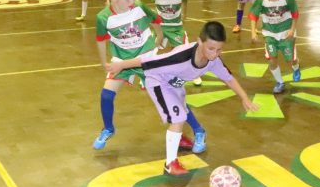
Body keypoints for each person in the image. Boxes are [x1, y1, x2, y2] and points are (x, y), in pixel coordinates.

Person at [106, 21, 259, 175]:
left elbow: (229, 78)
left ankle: (178, 138)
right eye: (211, 48)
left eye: (219, 50)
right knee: (178, 118)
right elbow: (148, 61)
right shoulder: (181, 56)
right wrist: (122, 65)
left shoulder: (214, 61)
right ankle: (170, 164)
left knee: (181, 112)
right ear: (200, 42)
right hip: (159, 81)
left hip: (175, 83)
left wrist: (244, 97)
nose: (214, 53)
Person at [92, 0, 168, 150]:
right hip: (121, 60)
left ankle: (196, 130)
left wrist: (159, 36)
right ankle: (108, 128)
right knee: (106, 95)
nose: (132, 1)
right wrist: (104, 63)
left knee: (167, 95)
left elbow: (156, 20)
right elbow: (101, 40)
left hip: (145, 58)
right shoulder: (104, 18)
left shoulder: (139, 7)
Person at [249, 0, 301, 94]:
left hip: (286, 33)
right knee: (272, 59)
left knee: (291, 59)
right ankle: (280, 82)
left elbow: (295, 14)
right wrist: (253, 31)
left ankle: (296, 67)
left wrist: (292, 30)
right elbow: (253, 15)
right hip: (269, 34)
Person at [149, 0, 203, 87]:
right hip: (161, 29)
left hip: (176, 28)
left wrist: (185, 14)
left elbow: (185, 0)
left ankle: (194, 74)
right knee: (151, 50)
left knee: (184, 51)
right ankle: (148, 74)